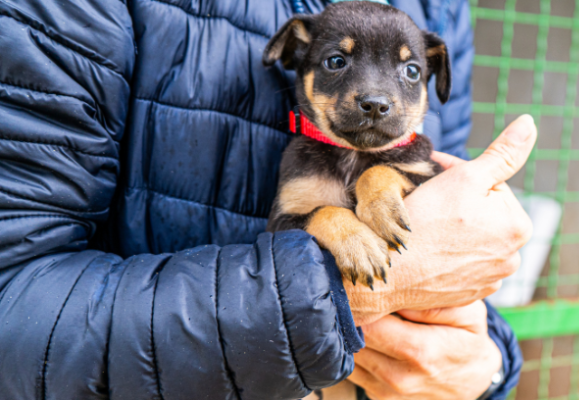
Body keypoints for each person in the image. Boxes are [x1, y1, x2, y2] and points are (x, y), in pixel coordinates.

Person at [0, 0, 536, 399]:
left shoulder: (440, 11)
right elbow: (293, 226)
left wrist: (487, 370)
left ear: (432, 76)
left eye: (409, 72)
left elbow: (454, 252)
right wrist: (335, 240)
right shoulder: (303, 161)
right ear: (294, 57)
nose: (377, 95)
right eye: (337, 63)